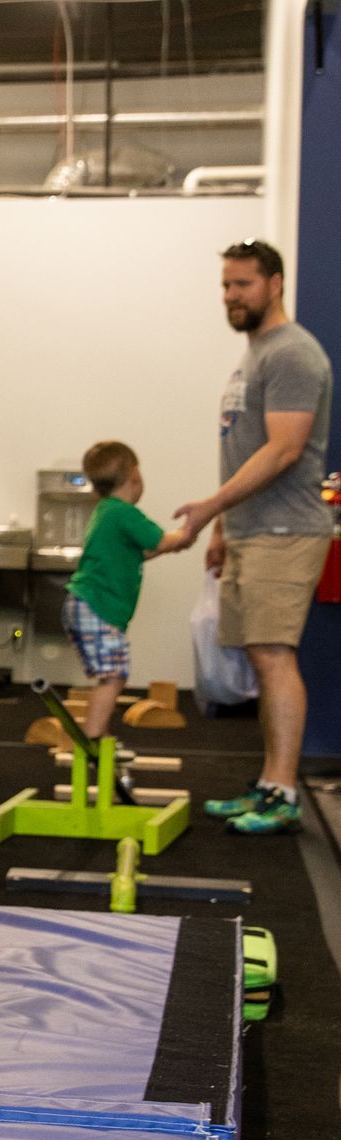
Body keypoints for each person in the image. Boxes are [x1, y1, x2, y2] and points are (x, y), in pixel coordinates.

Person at [174, 239, 334, 835]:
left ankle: (284, 790)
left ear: (275, 283)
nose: (231, 296)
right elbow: (242, 449)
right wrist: (223, 525)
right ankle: (269, 781)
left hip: (285, 530)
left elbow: (285, 450)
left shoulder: (292, 353)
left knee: (274, 656)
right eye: (225, 286)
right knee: (263, 660)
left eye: (242, 285)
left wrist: (212, 505)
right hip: (250, 530)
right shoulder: (257, 353)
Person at [63, 443, 194, 755]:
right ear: (134, 475)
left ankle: (100, 734)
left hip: (84, 605)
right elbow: (162, 539)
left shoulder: (105, 511)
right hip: (95, 607)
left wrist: (170, 545)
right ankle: (95, 740)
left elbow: (143, 552)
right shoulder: (125, 513)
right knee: (114, 675)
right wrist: (189, 530)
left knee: (111, 674)